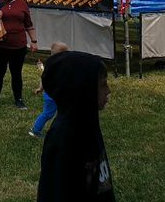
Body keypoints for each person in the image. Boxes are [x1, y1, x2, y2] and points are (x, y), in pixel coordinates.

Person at [37, 51, 114, 201]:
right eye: (103, 84)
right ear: (82, 88)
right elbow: (54, 193)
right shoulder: (63, 138)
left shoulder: (88, 123)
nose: (108, 90)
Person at [30, 41, 70, 139]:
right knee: (48, 114)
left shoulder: (50, 64)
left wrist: (41, 88)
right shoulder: (60, 66)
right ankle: (35, 130)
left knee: (58, 113)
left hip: (51, 94)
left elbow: (43, 77)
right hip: (54, 95)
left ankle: (61, 130)